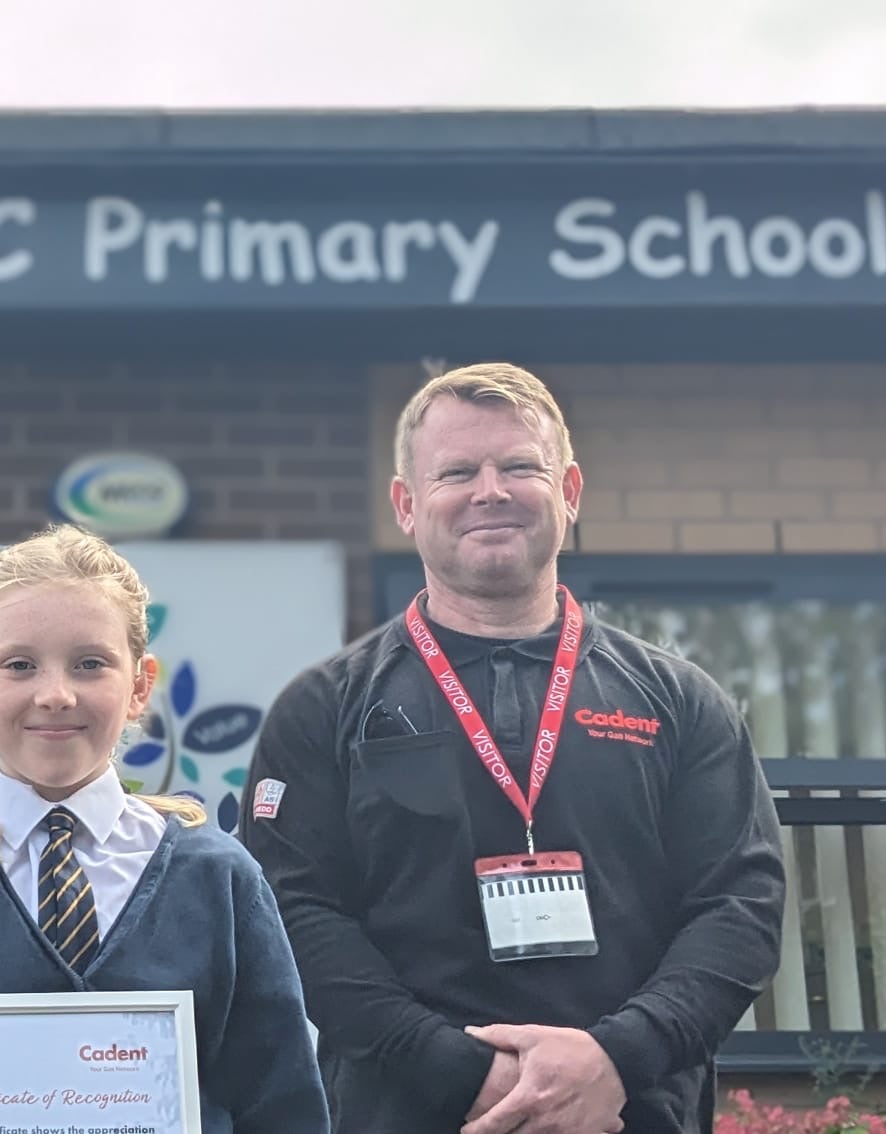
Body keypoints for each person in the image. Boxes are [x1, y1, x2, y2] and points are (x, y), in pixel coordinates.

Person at [241, 362, 785, 1134]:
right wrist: (456, 1070)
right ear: (406, 504)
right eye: (456, 471)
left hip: (631, 1109)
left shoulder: (679, 702)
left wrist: (616, 1059)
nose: (489, 491)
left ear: (569, 491)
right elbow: (294, 912)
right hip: (408, 1112)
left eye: (519, 467)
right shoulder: (324, 708)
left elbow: (740, 906)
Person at [0, 525, 329, 1133]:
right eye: (19, 665)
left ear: (139, 686)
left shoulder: (220, 879)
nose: (55, 694)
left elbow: (282, 1109)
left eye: (90, 664)